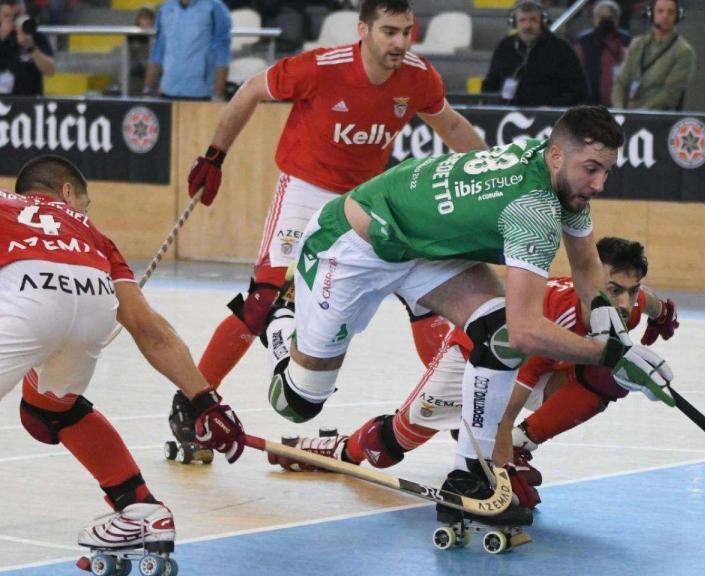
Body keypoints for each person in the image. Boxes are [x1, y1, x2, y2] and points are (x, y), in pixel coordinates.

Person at [261, 105, 674, 526]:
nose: (600, 183)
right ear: (556, 156)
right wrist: (610, 356)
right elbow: (527, 330)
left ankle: (469, 474)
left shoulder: (559, 177)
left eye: (606, 170)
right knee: (296, 403)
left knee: (496, 333)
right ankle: (279, 320)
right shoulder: (533, 211)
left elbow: (587, 268)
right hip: (350, 247)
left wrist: (619, 339)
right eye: (592, 169)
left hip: (421, 249)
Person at [175, 0, 488, 458]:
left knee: (427, 302)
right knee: (264, 299)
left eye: (406, 31)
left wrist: (490, 177)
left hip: (369, 200)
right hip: (307, 191)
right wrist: (214, 155)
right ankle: (193, 405)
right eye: (389, 32)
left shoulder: (419, 76)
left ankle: (461, 419)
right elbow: (249, 91)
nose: (400, 42)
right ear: (363, 30)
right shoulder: (322, 67)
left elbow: (453, 125)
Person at [268, 236, 679, 512]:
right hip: (475, 359)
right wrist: (502, 473)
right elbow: (503, 405)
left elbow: (651, 302)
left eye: (631, 290)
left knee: (611, 376)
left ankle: (520, 445)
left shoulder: (632, 304)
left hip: (530, 370)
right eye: (614, 290)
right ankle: (331, 451)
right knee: (389, 445)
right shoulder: (552, 314)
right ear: (586, 280)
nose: (624, 303)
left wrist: (666, 313)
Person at [0, 155, 245, 561]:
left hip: (29, 302)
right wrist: (205, 401)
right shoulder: (93, 234)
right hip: (92, 302)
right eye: (85, 202)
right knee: (50, 410)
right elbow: (149, 329)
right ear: (66, 192)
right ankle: (140, 507)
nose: (83, 211)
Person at [481, 0, 588, 107]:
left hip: (550, 118)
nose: (528, 25)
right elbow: (490, 85)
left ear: (542, 22)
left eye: (533, 20)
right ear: (514, 23)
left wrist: (552, 107)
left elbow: (577, 90)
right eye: (523, 20)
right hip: (508, 115)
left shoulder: (561, 49)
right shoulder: (505, 47)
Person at [611, 0, 695, 110]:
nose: (665, 16)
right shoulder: (637, 44)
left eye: (670, 12)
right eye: (660, 11)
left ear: (677, 16)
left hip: (658, 117)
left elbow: (670, 93)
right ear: (651, 14)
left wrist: (642, 114)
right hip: (629, 114)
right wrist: (619, 110)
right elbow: (621, 82)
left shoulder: (683, 51)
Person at [143, 0, 231, 100]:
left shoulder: (215, 7)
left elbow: (222, 53)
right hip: (168, 90)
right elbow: (157, 51)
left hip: (201, 93)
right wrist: (148, 89)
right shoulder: (166, 8)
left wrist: (218, 94)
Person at [575, 0, 630, 106]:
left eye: (610, 18)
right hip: (591, 104)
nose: (605, 22)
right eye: (601, 17)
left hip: (621, 103)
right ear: (594, 19)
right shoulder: (583, 42)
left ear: (617, 19)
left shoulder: (626, 41)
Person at [0, 0, 54, 96]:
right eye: (7, 16)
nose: (12, 21)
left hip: (29, 101)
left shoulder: (36, 37)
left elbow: (50, 70)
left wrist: (31, 48)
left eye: (17, 16)